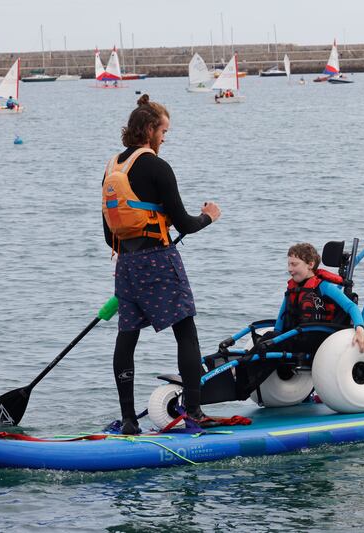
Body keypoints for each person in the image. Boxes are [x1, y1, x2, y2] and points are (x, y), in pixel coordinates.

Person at [102, 94, 222, 434]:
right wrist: (208, 217)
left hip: (126, 265)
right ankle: (194, 412)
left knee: (127, 337)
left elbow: (108, 233)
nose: (165, 138)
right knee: (185, 330)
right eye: (164, 132)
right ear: (149, 130)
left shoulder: (112, 168)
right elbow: (185, 223)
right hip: (158, 261)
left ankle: (128, 419)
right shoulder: (157, 166)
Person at [252, 243, 364, 357]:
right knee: (268, 338)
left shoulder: (323, 286)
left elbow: (351, 306)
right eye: (289, 264)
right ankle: (245, 364)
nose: (290, 269)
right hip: (295, 337)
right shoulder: (292, 289)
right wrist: (275, 336)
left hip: (315, 340)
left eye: (294, 264)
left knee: (268, 341)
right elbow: (280, 321)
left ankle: (243, 364)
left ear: (310, 264)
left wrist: (359, 329)